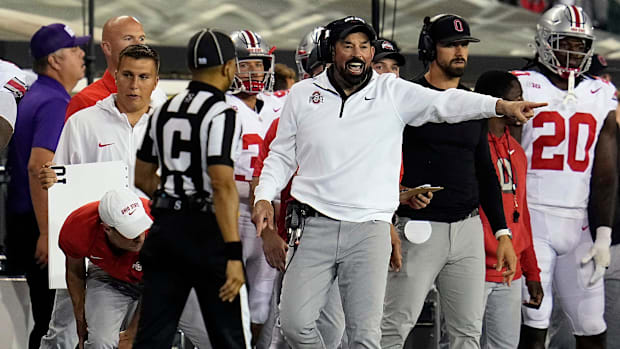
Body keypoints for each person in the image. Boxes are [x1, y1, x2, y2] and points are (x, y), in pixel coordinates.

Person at [252, 15, 543, 349]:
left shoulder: (390, 90)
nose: (357, 53)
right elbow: (281, 156)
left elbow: (447, 102)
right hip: (313, 223)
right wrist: (264, 195)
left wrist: (501, 105)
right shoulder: (303, 94)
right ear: (331, 51)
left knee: (366, 335)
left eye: (364, 46)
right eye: (348, 46)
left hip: (370, 229)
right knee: (294, 323)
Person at [39, 44, 212, 349]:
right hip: (97, 254)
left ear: (156, 81)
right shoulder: (83, 123)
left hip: (162, 251)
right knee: (69, 334)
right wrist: (53, 178)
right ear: (115, 75)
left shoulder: (177, 127)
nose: (135, 85)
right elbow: (63, 181)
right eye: (128, 75)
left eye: (144, 77)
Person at [380, 14, 517, 349]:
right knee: (394, 327)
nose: (460, 51)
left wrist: (502, 232)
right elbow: (380, 162)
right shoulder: (406, 97)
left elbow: (484, 169)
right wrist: (393, 203)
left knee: (467, 332)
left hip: (468, 228)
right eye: (451, 44)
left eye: (464, 44)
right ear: (430, 48)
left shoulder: (473, 101)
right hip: (418, 227)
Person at [133, 28, 248, 348]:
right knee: (227, 336)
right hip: (207, 232)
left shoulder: (164, 110)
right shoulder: (223, 112)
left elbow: (142, 175)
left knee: (153, 336)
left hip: (166, 230)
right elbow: (222, 184)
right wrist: (233, 254)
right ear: (228, 67)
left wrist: (171, 197)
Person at [514, 5, 618, 349]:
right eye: (564, 42)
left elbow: (605, 173)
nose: (573, 51)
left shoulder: (600, 94)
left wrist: (604, 234)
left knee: (591, 323)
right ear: (545, 41)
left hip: (580, 224)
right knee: (534, 321)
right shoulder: (520, 85)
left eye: (579, 44)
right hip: (532, 220)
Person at [255, 26, 346, 349]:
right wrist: (268, 233)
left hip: (352, 234)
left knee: (345, 330)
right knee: (293, 326)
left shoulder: (361, 114)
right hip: (302, 234)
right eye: (322, 68)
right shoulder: (289, 115)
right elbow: (265, 177)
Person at [5, 23, 88, 349]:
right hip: (39, 222)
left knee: (44, 318)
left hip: (22, 219)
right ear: (55, 60)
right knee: (52, 323)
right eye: (74, 50)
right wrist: (46, 233)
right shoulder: (54, 102)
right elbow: (39, 166)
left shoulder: (30, 96)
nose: (82, 55)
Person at [474, 70, 543, 349]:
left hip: (509, 272)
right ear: (498, 103)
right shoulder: (470, 146)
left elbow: (521, 214)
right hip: (473, 268)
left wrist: (532, 272)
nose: (524, 104)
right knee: (461, 343)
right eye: (517, 98)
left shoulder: (516, 149)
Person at [226, 29, 284, 342]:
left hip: (268, 214)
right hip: (231, 213)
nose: (254, 72)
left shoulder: (278, 105)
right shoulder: (221, 106)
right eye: (246, 64)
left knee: (263, 305)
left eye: (259, 64)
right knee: (225, 300)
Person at [59, 189, 152, 349]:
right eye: (130, 231)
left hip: (169, 281)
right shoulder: (78, 227)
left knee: (206, 334)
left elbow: (160, 284)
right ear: (107, 229)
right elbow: (74, 270)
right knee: (99, 342)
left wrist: (131, 334)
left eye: (140, 226)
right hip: (110, 276)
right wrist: (81, 318)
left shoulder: (158, 221)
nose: (139, 236)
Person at [64, 15, 166, 120]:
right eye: (128, 38)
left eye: (141, 38)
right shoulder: (85, 101)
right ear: (107, 48)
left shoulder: (157, 95)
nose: (139, 44)